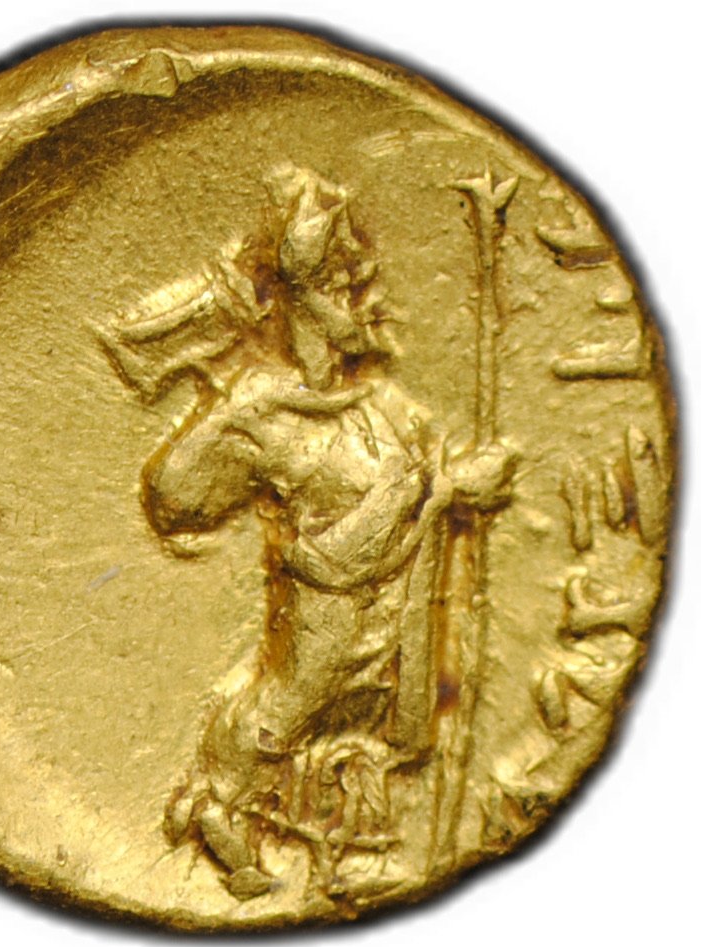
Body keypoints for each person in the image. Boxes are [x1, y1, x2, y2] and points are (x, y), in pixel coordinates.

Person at [103, 165, 513, 899]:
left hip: (388, 625)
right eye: (350, 287)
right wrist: (442, 491)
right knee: (288, 708)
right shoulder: (264, 413)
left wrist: (449, 487)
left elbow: (408, 492)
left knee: (346, 733)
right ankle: (216, 806)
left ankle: (335, 846)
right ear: (309, 300)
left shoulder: (379, 409)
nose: (372, 300)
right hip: (331, 611)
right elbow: (174, 496)